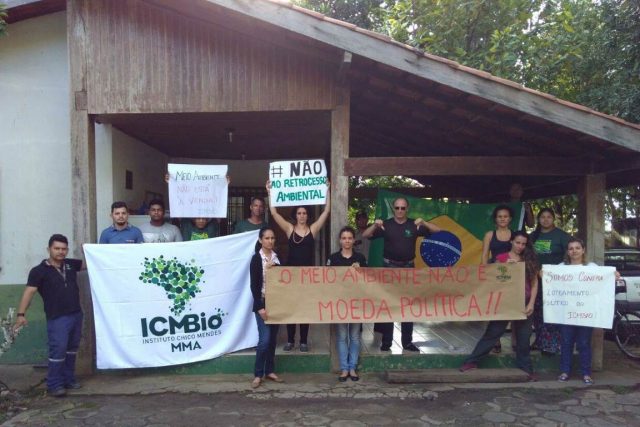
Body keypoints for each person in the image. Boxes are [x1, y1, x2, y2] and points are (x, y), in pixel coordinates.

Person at [362, 197, 441, 352]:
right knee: (389, 304)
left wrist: (424, 223)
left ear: (407, 209)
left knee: (408, 305)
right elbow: (365, 234)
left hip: (408, 268)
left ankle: (407, 343)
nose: (399, 211)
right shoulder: (386, 224)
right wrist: (375, 225)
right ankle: (386, 342)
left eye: (402, 208)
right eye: (397, 208)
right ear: (393, 208)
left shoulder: (414, 224)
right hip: (389, 267)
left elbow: (438, 231)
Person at [460, 230, 540, 381]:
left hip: (524, 302)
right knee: (493, 333)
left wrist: (531, 304)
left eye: (523, 244)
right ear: (511, 242)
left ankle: (526, 369)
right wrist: (505, 267)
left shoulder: (529, 259)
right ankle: (471, 362)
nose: (520, 246)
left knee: (524, 337)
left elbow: (534, 284)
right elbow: (493, 280)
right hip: (505, 302)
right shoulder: (501, 258)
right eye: (517, 243)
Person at [14, 234, 84, 397]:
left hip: (76, 314)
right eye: (57, 248)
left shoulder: (71, 264)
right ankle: (54, 384)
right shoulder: (38, 271)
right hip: (57, 317)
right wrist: (21, 314)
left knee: (72, 350)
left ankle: (68, 379)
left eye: (64, 249)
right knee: (58, 350)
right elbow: (29, 292)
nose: (60, 252)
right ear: (49, 249)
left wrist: (89, 250)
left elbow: (93, 262)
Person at [266, 180, 331, 352]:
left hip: (307, 276)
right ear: (295, 215)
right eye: (299, 213)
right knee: (291, 307)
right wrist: (270, 192)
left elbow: (326, 211)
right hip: (291, 276)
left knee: (304, 308)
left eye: (304, 213)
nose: (302, 215)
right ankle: (290, 340)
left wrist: (327, 190)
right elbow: (274, 213)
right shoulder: (289, 229)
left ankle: (303, 341)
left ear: (307, 215)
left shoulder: (313, 229)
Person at [557, 237, 619, 385]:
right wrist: (543, 273)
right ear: (567, 251)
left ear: (583, 250)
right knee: (566, 342)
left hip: (585, 313)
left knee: (584, 343)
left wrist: (613, 275)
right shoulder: (561, 267)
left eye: (577, 248)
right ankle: (565, 371)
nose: (574, 251)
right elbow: (547, 277)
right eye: (571, 248)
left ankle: (586, 373)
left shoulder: (592, 267)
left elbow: (604, 279)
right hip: (566, 312)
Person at [327, 226, 367, 381]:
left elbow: (369, 280)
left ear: (354, 240)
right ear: (340, 240)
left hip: (357, 302)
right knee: (342, 336)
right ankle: (344, 368)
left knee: (355, 337)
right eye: (344, 238)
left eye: (349, 238)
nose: (347, 241)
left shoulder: (360, 258)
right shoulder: (333, 258)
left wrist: (360, 271)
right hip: (340, 303)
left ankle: (352, 368)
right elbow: (326, 279)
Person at [531, 208, 570, 355]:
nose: (546, 220)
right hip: (536, 280)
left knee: (553, 310)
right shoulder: (533, 236)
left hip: (555, 282)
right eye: (542, 217)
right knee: (538, 312)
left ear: (553, 219)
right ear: (538, 219)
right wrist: (535, 271)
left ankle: (552, 343)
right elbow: (528, 256)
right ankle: (539, 340)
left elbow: (571, 255)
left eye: (549, 217)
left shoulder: (562, 236)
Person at [250, 226, 284, 388]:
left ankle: (269, 371)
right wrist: (259, 307)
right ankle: (258, 374)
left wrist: (275, 269)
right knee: (264, 340)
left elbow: (283, 280)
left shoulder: (278, 258)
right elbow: (254, 286)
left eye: (272, 238)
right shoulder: (256, 259)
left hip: (276, 301)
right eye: (267, 238)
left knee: (272, 340)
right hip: (263, 302)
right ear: (260, 240)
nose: (270, 241)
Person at [481, 205, 515, 353]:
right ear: (495, 219)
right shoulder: (490, 235)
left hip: (512, 275)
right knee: (494, 306)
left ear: (510, 219)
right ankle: (495, 341)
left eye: (505, 216)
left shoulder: (515, 235)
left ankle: (515, 341)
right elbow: (484, 255)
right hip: (494, 274)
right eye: (500, 216)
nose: (502, 219)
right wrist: (484, 273)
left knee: (513, 307)